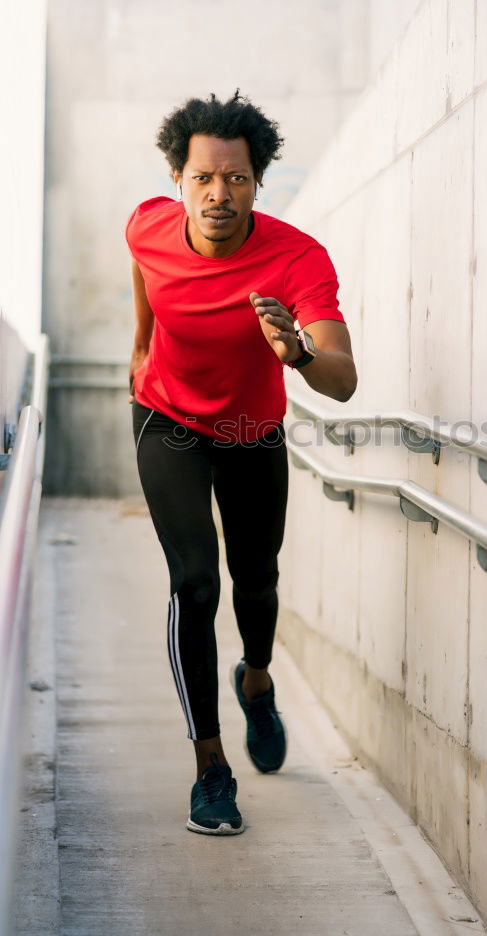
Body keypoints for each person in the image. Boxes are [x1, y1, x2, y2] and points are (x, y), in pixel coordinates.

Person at [126, 90, 356, 835]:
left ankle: (256, 680)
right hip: (166, 419)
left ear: (259, 182)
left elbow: (343, 380)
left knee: (254, 581)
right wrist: (139, 346)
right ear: (178, 180)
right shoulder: (147, 225)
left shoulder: (296, 258)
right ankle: (211, 770)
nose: (218, 195)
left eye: (237, 179)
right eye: (203, 178)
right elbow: (145, 269)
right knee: (195, 582)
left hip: (253, 428)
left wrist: (297, 352)